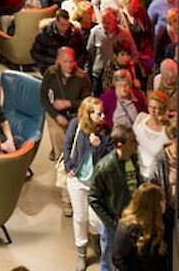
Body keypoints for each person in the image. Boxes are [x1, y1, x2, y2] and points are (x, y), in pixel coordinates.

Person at [63, 96, 111, 271]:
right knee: (79, 217)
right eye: (99, 113)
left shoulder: (105, 131)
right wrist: (69, 165)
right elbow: (67, 144)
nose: (103, 116)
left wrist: (98, 146)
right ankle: (81, 251)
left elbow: (109, 157)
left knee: (95, 219)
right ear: (88, 115)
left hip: (95, 183)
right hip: (77, 180)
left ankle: (94, 237)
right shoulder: (76, 125)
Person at [88, 125, 141, 271]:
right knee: (108, 259)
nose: (136, 144)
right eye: (132, 141)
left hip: (131, 219)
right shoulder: (105, 167)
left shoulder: (134, 159)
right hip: (114, 223)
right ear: (120, 145)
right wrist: (112, 223)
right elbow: (93, 198)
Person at [41, 46, 92, 185]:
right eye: (65, 61)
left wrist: (69, 103)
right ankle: (63, 171)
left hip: (75, 114)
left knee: (75, 142)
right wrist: (56, 115)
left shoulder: (82, 77)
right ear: (58, 61)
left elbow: (86, 101)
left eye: (71, 61)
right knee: (59, 139)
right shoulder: (51, 73)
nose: (69, 65)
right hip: (55, 114)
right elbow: (43, 97)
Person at [111, 182, 169, 271]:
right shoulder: (128, 228)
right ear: (153, 206)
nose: (165, 203)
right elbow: (118, 259)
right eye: (162, 201)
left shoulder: (159, 220)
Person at [132, 91, 172, 182]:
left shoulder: (167, 130)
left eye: (156, 108)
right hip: (136, 171)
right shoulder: (141, 118)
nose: (153, 111)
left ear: (163, 109)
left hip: (155, 177)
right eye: (150, 107)